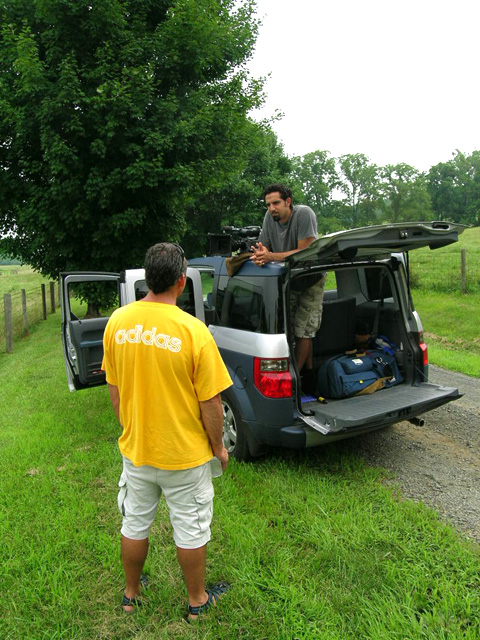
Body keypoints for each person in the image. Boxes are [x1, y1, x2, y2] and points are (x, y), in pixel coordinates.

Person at [101, 242, 233, 621]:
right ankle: (197, 602)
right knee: (191, 528)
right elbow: (211, 403)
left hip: (137, 450)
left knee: (134, 522)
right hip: (185, 456)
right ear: (181, 281)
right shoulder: (194, 331)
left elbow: (115, 388)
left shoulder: (117, 322)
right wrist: (218, 447)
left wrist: (131, 428)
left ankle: (131, 595)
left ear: (147, 279)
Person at [250, 183, 325, 395]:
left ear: (288, 202)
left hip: (311, 277)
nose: (271, 208)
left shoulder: (304, 215)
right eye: (268, 204)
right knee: (289, 328)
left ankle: (295, 379)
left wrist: (271, 256)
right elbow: (264, 247)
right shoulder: (269, 218)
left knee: (305, 330)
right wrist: (259, 255)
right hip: (289, 279)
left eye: (276, 203)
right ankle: (309, 373)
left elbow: (306, 252)